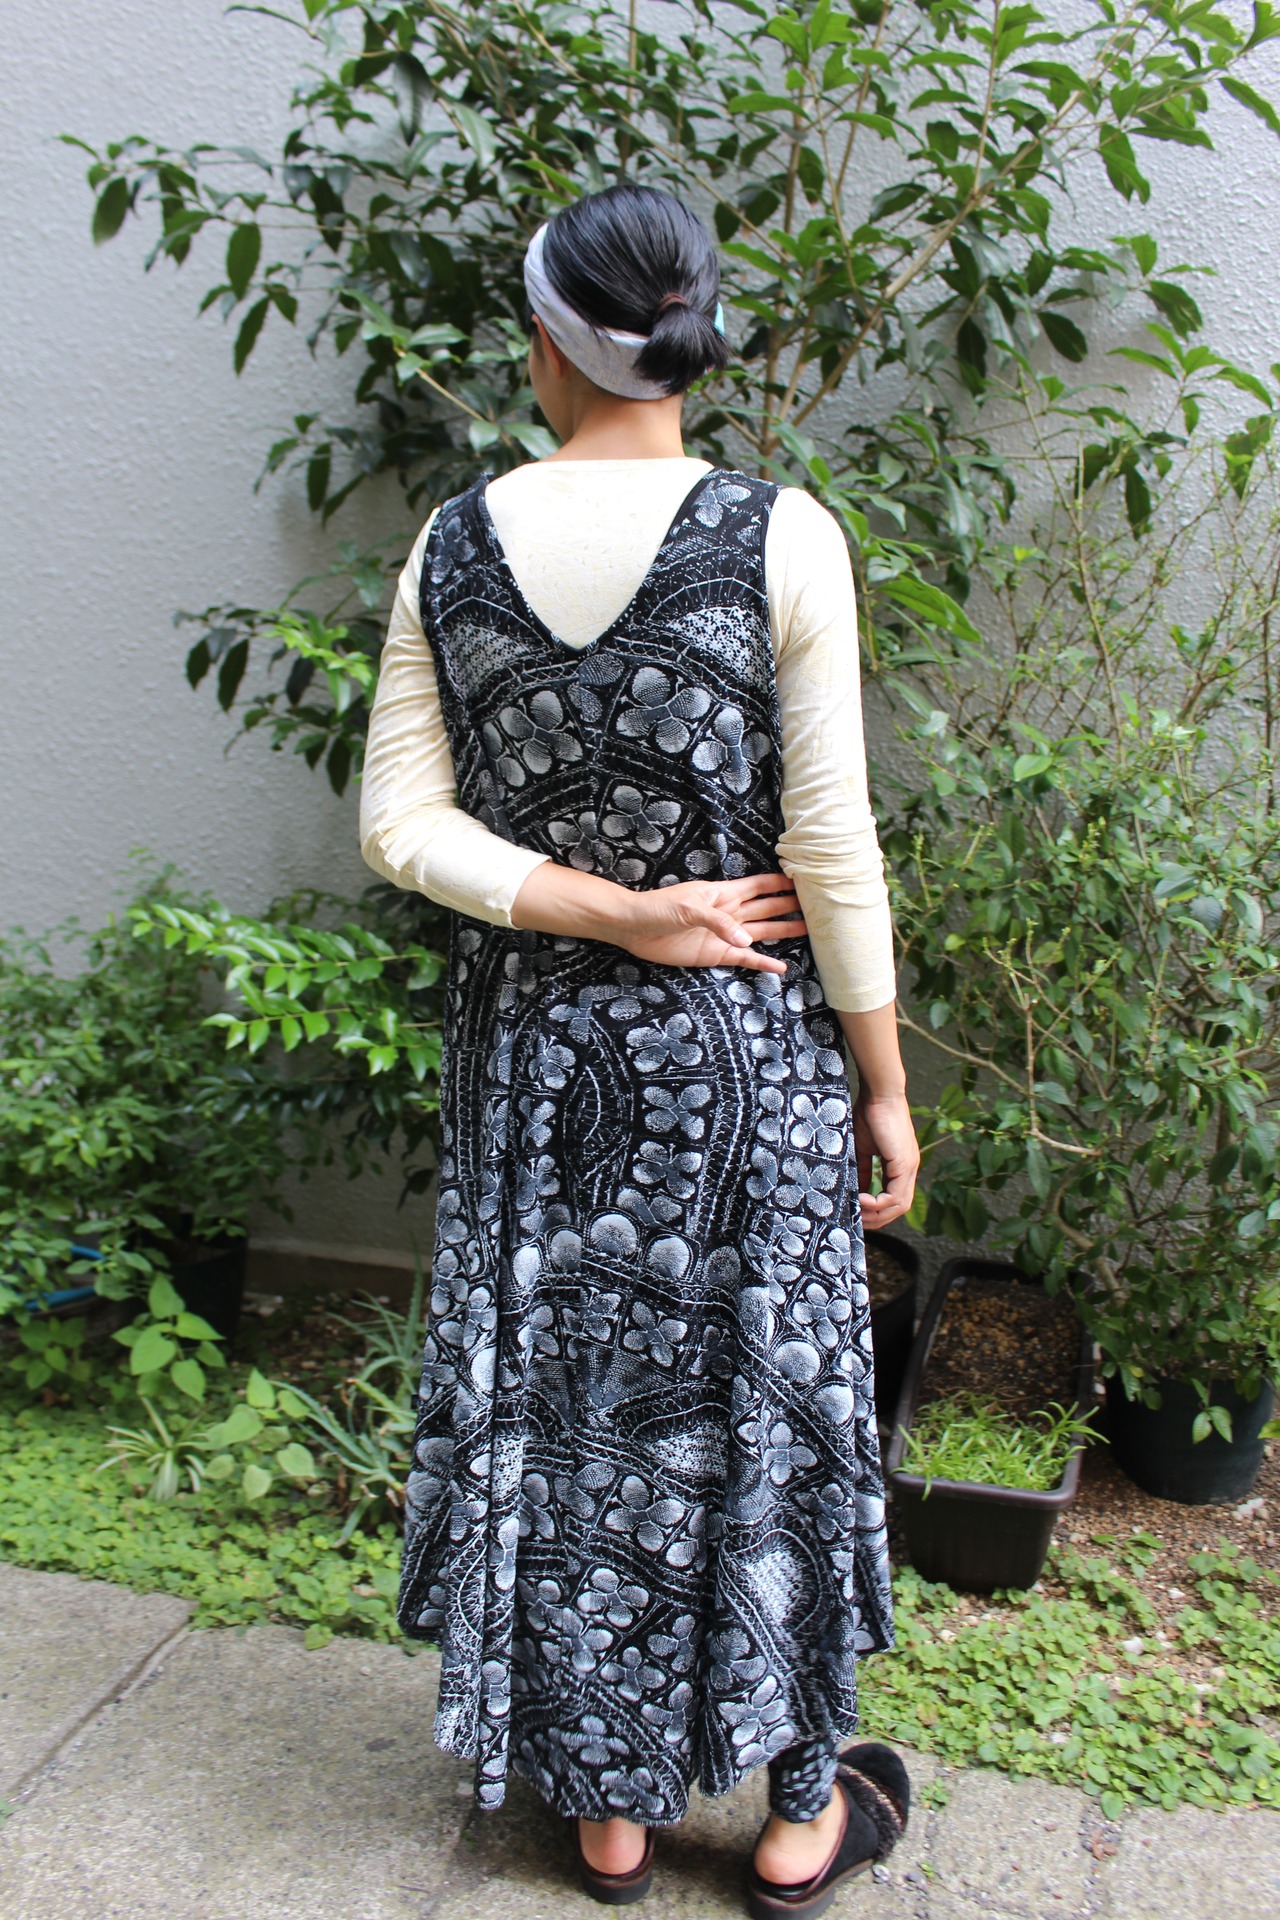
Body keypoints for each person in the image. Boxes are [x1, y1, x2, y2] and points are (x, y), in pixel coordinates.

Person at [359, 183, 920, 1920]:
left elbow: (399, 826)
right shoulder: (783, 535)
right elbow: (830, 844)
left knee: (573, 1411)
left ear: (548, 340)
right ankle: (796, 1822)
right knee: (772, 1404)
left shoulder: (453, 544)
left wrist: (600, 911)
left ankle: (606, 1820)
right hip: (747, 1062)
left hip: (537, 1074)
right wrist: (886, 1080)